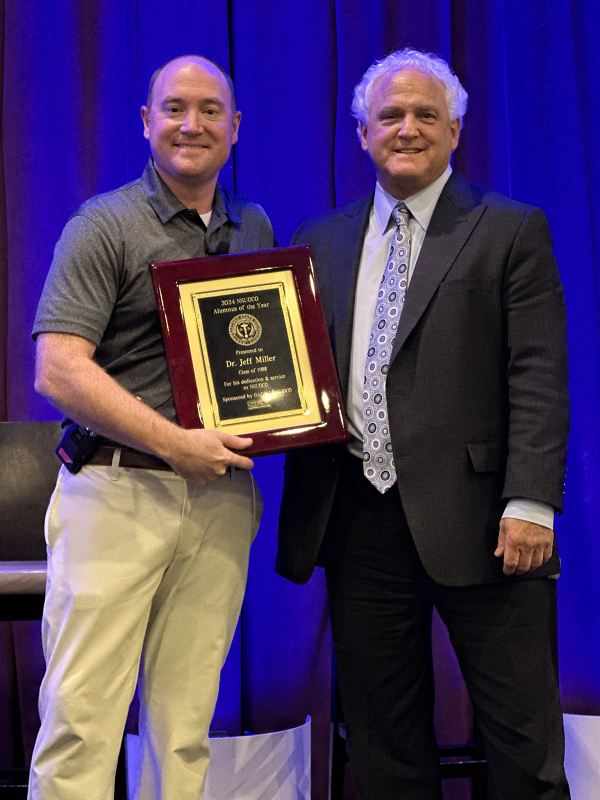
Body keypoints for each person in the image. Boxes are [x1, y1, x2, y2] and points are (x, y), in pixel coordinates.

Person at [277, 48, 570, 799]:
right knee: (383, 749)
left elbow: (538, 374)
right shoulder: (319, 239)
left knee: (523, 744)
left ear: (455, 132)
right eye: (390, 116)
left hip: (489, 527)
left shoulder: (510, 229)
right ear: (363, 134)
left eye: (425, 115)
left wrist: (531, 502)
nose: (407, 128)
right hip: (357, 523)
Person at [30, 55, 275, 800]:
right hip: (116, 492)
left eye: (209, 110)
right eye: (173, 108)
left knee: (186, 730)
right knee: (81, 725)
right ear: (146, 122)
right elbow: (58, 370)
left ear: (235, 128)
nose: (190, 124)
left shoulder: (254, 225)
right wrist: (175, 444)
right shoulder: (102, 224)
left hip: (222, 504)